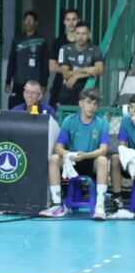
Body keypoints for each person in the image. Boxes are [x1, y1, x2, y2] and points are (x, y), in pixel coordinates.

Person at [40, 88, 108, 220]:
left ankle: (100, 207)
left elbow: (103, 150)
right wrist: (70, 154)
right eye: (88, 102)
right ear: (81, 103)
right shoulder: (69, 121)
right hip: (72, 162)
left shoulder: (102, 123)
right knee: (54, 159)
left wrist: (85, 155)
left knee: (103, 160)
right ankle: (57, 204)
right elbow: (58, 147)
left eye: (95, 104)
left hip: (91, 161)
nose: (92, 107)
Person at [5, 11, 49, 109]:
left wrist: (44, 83)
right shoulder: (17, 39)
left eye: (31, 20)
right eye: (26, 20)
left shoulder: (42, 41)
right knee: (14, 108)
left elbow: (45, 64)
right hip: (18, 82)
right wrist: (8, 81)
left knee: (33, 109)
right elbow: (12, 61)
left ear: (36, 23)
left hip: (35, 83)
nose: (28, 22)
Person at [57, 21, 104, 106]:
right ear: (74, 34)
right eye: (78, 33)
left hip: (88, 88)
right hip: (69, 87)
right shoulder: (65, 49)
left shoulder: (95, 49)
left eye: (84, 33)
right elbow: (66, 74)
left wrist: (77, 76)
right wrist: (86, 69)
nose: (80, 37)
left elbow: (100, 70)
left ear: (89, 35)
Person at [49, 9, 79, 108]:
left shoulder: (85, 42)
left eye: (74, 19)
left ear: (78, 21)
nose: (71, 23)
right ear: (64, 22)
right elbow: (52, 66)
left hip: (79, 86)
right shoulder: (58, 42)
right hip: (59, 85)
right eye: (68, 19)